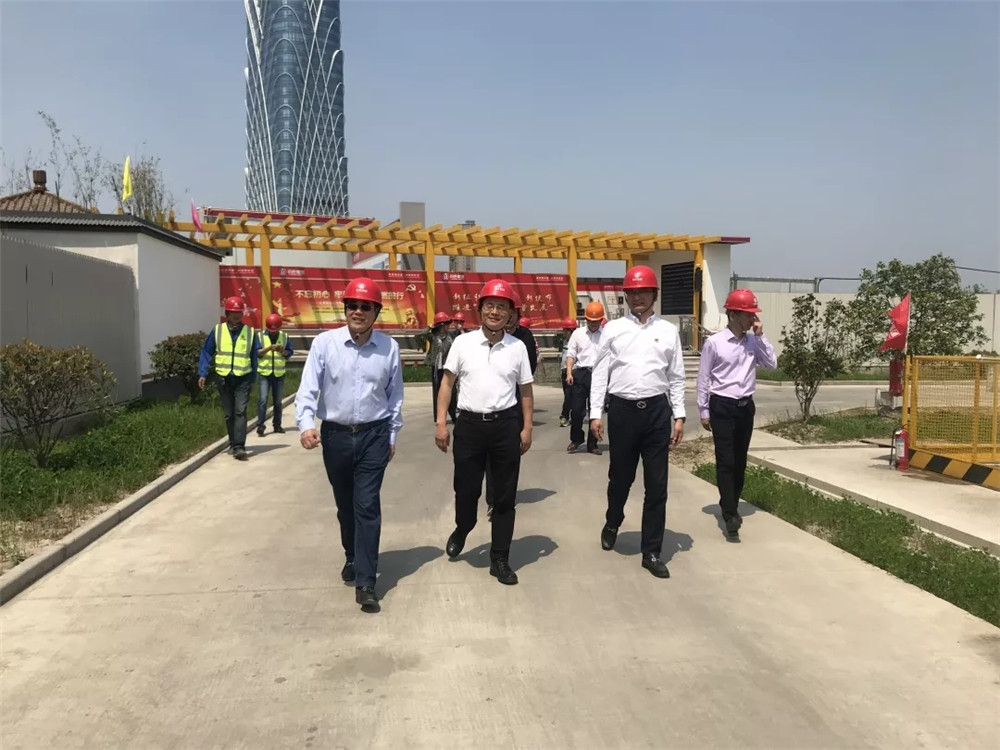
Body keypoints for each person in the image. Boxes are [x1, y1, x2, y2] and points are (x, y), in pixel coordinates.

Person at [295, 277, 404, 613]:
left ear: (376, 312)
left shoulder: (389, 348)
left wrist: (392, 436)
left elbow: (395, 396)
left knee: (367, 505)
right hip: (336, 436)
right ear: (345, 309)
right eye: (352, 306)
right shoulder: (325, 344)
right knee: (346, 505)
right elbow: (308, 388)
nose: (358, 311)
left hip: (374, 435)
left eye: (365, 307)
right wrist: (306, 424)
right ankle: (352, 555)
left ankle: (367, 582)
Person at [434, 279, 533, 586]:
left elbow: (525, 390)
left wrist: (527, 427)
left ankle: (500, 557)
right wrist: (441, 423)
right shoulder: (462, 344)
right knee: (466, 490)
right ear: (480, 309)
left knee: (504, 496)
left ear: (510, 313)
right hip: (469, 427)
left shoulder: (517, 348)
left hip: (505, 426)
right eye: (490, 306)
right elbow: (447, 384)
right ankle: (463, 527)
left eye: (502, 307)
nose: (495, 312)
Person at [590, 265, 686, 579]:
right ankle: (613, 520)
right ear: (626, 296)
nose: (638, 297)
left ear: (654, 294)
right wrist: (595, 414)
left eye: (643, 292)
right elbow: (600, 373)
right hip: (623, 412)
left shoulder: (669, 331)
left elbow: (676, 376)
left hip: (657, 412)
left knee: (657, 485)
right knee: (621, 478)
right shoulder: (613, 330)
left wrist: (679, 415)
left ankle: (652, 551)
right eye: (632, 292)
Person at [697, 289, 776, 537]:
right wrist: (704, 410)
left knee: (740, 461)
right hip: (722, 406)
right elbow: (703, 378)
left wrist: (760, 337)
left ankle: (731, 502)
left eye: (753, 314)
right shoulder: (714, 343)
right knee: (726, 460)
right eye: (748, 314)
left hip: (745, 407)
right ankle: (730, 513)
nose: (753, 319)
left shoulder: (753, 342)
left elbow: (771, 364)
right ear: (733, 315)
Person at [198, 295, 258, 461]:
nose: (236, 315)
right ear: (227, 314)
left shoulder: (250, 332)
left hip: (243, 378)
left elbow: (253, 356)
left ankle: (239, 446)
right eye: (233, 312)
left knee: (240, 411)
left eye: (239, 312)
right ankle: (232, 443)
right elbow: (207, 351)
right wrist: (203, 373)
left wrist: (253, 378)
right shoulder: (218, 331)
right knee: (229, 414)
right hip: (223, 378)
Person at [565, 301, 606, 455]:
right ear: (586, 319)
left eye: (596, 321)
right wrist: (569, 373)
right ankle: (577, 438)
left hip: (598, 374)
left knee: (595, 411)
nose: (593, 324)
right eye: (591, 321)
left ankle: (592, 444)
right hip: (580, 374)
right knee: (576, 411)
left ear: (601, 320)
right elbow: (571, 355)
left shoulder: (606, 335)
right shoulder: (578, 334)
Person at [256, 313, 293, 437]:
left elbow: (289, 354)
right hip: (264, 373)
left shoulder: (284, 337)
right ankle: (260, 426)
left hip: (278, 373)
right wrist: (269, 348)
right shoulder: (260, 336)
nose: (273, 333)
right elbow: (257, 353)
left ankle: (277, 425)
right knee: (263, 400)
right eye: (271, 331)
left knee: (277, 402)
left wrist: (282, 351)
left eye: (275, 330)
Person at [425, 311, 454, 422]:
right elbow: (420, 336)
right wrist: (429, 327)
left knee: (451, 391)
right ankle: (438, 417)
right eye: (446, 323)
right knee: (437, 392)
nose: (448, 326)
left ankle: (453, 414)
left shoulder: (451, 336)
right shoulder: (433, 336)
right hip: (436, 368)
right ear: (441, 325)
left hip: (448, 367)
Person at [558, 318, 578, 427]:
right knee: (567, 395)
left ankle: (564, 416)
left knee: (569, 396)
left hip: (572, 372)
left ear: (571, 331)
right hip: (564, 371)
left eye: (565, 330)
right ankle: (570, 416)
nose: (563, 332)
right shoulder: (565, 342)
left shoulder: (577, 342)